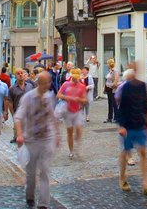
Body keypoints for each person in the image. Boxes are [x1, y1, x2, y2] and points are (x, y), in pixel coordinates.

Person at [15, 72, 60, 209]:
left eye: (49, 82)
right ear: (39, 83)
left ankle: (43, 203)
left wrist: (57, 134)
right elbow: (18, 117)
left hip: (47, 139)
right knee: (31, 172)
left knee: (45, 170)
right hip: (31, 140)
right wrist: (20, 134)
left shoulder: (49, 96)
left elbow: (52, 116)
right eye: (45, 83)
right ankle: (30, 195)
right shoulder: (28, 97)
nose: (48, 85)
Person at [116, 62, 147, 196]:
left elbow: (145, 104)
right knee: (125, 152)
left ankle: (145, 184)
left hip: (139, 124)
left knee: (143, 152)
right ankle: (122, 178)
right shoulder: (125, 87)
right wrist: (121, 126)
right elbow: (121, 106)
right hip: (128, 125)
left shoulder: (142, 85)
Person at [57, 68, 88, 159]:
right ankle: (71, 151)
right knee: (69, 132)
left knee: (79, 129)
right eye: (74, 78)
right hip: (68, 111)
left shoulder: (82, 86)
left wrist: (79, 99)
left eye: (76, 78)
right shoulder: (66, 84)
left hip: (78, 110)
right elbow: (58, 95)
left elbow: (85, 99)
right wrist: (66, 97)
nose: (75, 80)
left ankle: (77, 147)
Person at [7, 68, 32, 144]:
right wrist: (13, 114)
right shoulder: (12, 88)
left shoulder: (30, 86)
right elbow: (10, 102)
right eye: (18, 73)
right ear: (15, 76)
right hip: (18, 113)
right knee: (19, 136)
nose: (20, 75)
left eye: (21, 73)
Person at [104, 58, 119, 123]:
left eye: (107, 63)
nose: (107, 65)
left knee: (114, 103)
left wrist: (113, 86)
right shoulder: (110, 71)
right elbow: (107, 79)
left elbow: (116, 79)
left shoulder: (115, 71)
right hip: (108, 88)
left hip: (113, 89)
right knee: (110, 103)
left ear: (110, 64)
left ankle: (116, 118)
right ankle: (109, 117)